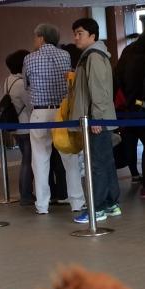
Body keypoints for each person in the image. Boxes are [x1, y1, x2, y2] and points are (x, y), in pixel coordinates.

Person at [22, 22, 84, 217]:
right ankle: (77, 201)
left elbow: (26, 85)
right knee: (69, 158)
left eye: (35, 37)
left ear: (41, 38)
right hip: (62, 112)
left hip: (40, 114)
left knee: (40, 160)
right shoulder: (65, 55)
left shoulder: (29, 58)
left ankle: (42, 205)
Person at [71, 17, 121, 223]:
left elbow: (98, 90)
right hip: (97, 119)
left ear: (92, 35)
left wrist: (96, 119)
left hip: (95, 121)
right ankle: (110, 203)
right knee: (105, 162)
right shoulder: (93, 56)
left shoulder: (93, 56)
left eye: (80, 33)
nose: (76, 37)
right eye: (75, 33)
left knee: (97, 165)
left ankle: (98, 208)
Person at [116, 26, 145, 196]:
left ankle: (135, 174)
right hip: (141, 105)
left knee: (129, 141)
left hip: (125, 107)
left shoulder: (127, 52)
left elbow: (118, 79)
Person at [2, 49, 34, 205]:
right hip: (25, 126)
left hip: (15, 126)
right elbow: (30, 105)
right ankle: (26, 195)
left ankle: (25, 194)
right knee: (28, 161)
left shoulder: (8, 80)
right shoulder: (21, 83)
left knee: (25, 159)